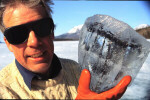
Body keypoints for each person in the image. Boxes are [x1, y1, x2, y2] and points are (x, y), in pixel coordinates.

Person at [0, 0, 131, 99]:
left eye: (42, 27)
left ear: (52, 32)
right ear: (8, 44)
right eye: (17, 34)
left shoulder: (77, 71)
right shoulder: (4, 90)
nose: (34, 42)